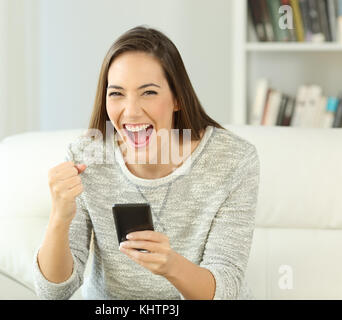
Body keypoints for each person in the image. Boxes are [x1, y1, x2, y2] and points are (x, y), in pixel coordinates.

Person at [32, 25, 260, 300]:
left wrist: (171, 266)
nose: (131, 111)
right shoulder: (87, 157)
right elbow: (53, 292)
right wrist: (59, 217)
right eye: (116, 93)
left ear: (177, 98)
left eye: (148, 92)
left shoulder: (232, 160)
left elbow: (227, 290)